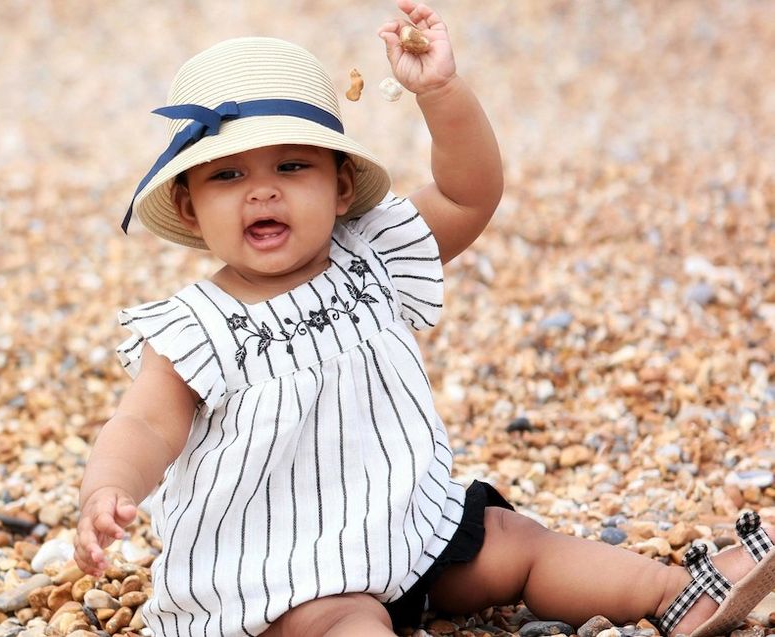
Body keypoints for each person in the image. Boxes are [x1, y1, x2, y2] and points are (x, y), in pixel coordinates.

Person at [73, 2, 775, 636]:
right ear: (191, 208)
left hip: (409, 530)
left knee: (514, 539)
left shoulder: (372, 252)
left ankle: (676, 592)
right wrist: (110, 485)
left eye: (291, 165)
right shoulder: (197, 324)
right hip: (288, 570)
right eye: (227, 175)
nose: (262, 189)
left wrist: (440, 92)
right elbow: (145, 424)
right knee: (350, 621)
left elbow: (471, 193)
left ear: (342, 185)